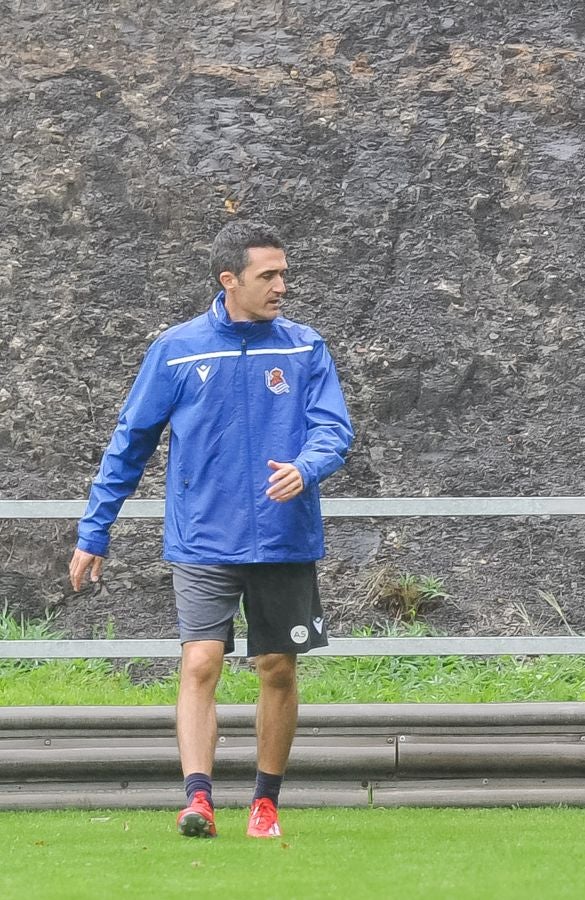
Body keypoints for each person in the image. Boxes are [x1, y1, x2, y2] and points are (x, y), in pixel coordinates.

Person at [68, 221, 354, 839]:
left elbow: (335, 430)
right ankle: (198, 799)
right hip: (203, 537)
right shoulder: (177, 349)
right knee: (200, 661)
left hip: (283, 538)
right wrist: (95, 530)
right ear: (230, 280)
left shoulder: (305, 347)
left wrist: (305, 468)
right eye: (268, 275)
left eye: (284, 272)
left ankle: (265, 802)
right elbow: (129, 444)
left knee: (277, 666)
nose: (283, 285)